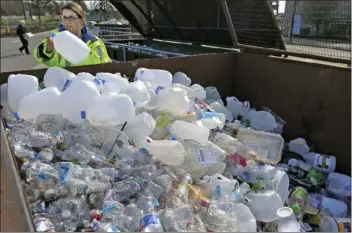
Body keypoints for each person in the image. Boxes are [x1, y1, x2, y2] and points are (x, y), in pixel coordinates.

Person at [33, 2, 111, 67]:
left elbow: (107, 64)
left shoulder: (95, 42)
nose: (67, 21)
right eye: (64, 18)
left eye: (71, 18)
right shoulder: (55, 38)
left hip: (92, 84)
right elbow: (39, 55)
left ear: (81, 20)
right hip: (66, 84)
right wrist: (48, 50)